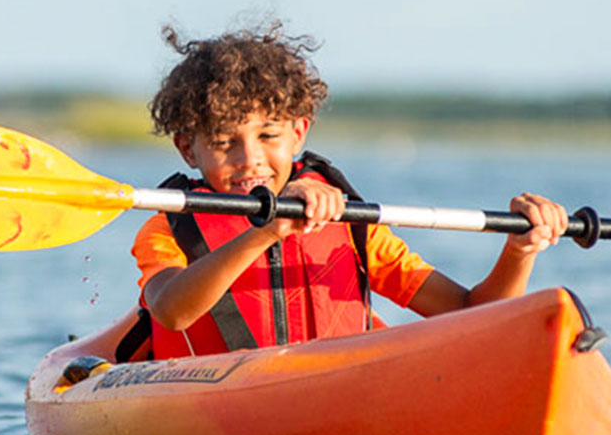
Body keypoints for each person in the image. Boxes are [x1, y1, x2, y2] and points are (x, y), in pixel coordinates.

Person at [127, 22, 568, 361]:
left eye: (268, 136)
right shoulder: (168, 228)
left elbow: (473, 312)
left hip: (333, 388)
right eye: (224, 142)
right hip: (213, 399)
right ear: (188, 149)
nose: (249, 159)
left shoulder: (354, 229)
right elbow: (172, 312)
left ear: (298, 134)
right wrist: (268, 231)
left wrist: (519, 251)